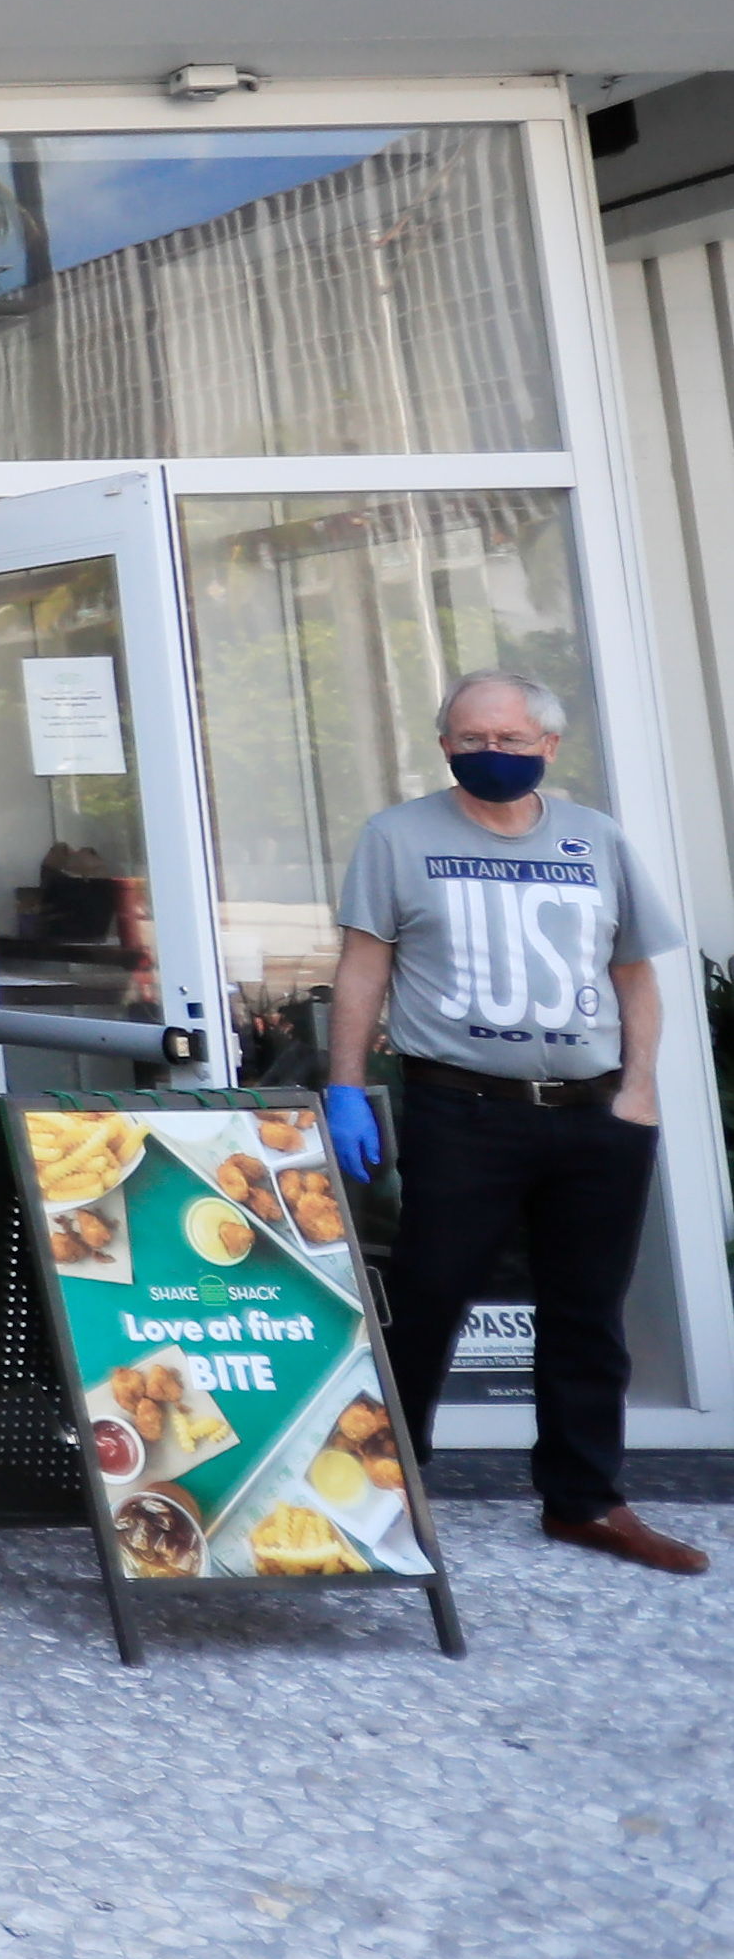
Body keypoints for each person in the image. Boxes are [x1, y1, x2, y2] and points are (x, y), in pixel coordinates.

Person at [325, 668, 706, 1577]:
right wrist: (344, 1085)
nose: (487, 752)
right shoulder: (397, 836)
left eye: (507, 739)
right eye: (469, 738)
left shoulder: (595, 837)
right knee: (426, 1301)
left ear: (547, 745)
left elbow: (633, 974)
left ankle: (584, 1500)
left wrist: (638, 1092)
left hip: (593, 1113)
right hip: (462, 1110)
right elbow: (362, 967)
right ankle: (385, 1492)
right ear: (443, 743)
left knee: (587, 1313)